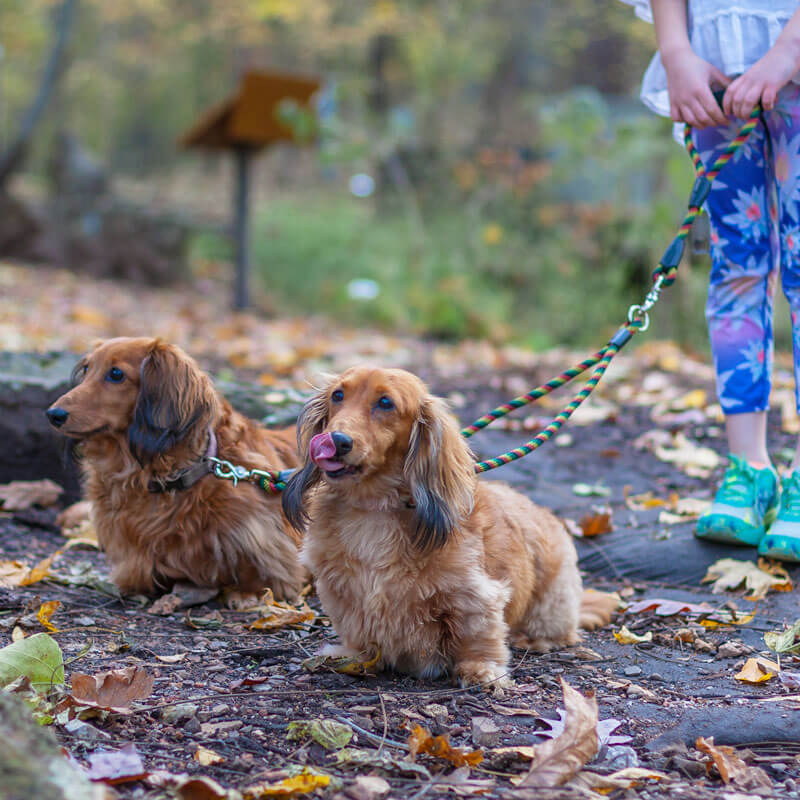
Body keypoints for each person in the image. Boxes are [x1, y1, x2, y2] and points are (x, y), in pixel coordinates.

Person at [621, 0, 800, 560]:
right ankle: (749, 469)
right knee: (737, 269)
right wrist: (676, 51)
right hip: (714, 74)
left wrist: (787, 51)